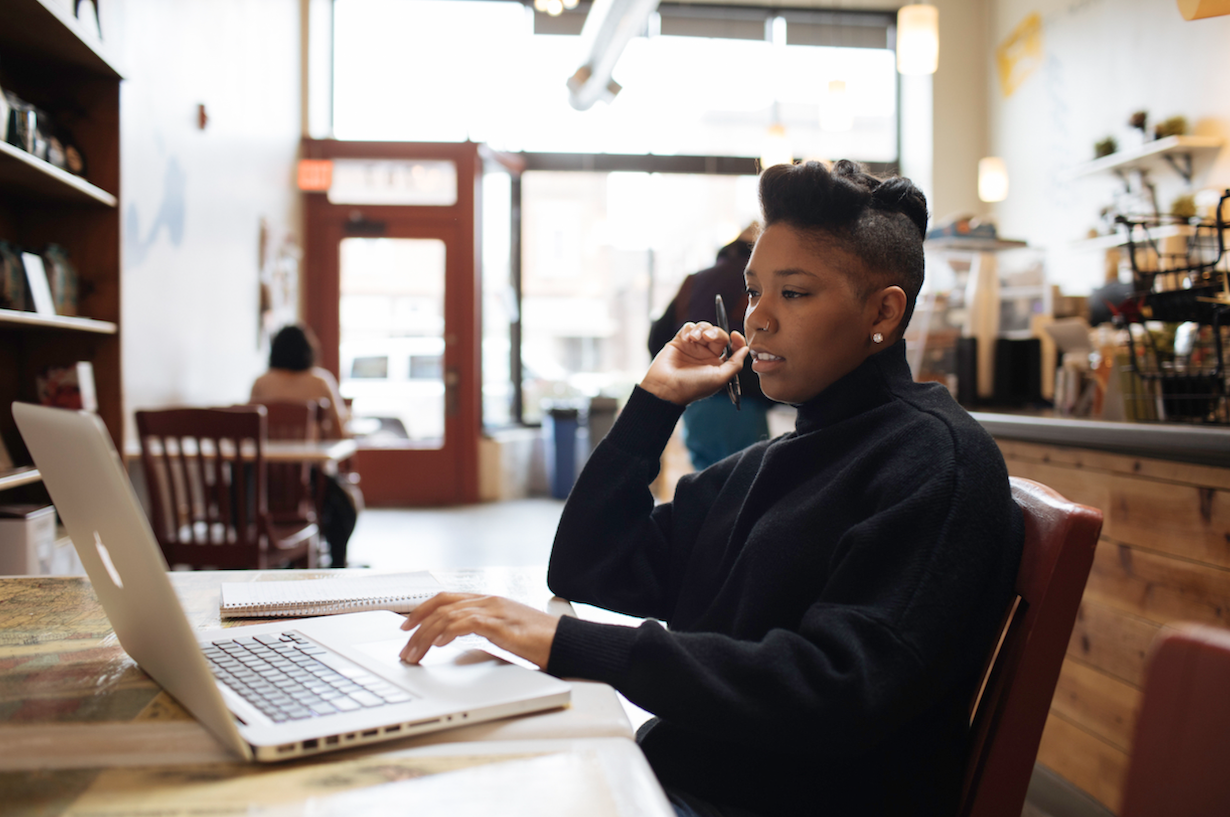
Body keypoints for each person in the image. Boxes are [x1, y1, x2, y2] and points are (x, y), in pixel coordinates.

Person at [397, 160, 1024, 817]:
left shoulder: (934, 461)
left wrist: (566, 644)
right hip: (674, 780)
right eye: (755, 292)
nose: (758, 320)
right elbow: (590, 565)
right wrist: (654, 402)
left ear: (883, 312)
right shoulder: (776, 461)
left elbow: (834, 691)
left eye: (796, 293)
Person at [649, 224, 774, 470]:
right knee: (746, 485)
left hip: (697, 405)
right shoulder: (759, 280)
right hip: (743, 402)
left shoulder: (694, 281)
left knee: (704, 488)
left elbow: (657, 339)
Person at [251, 324, 358, 568]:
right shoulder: (320, 381)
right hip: (307, 483)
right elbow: (340, 435)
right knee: (346, 502)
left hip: (263, 484)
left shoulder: (261, 383)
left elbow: (252, 431)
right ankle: (337, 562)